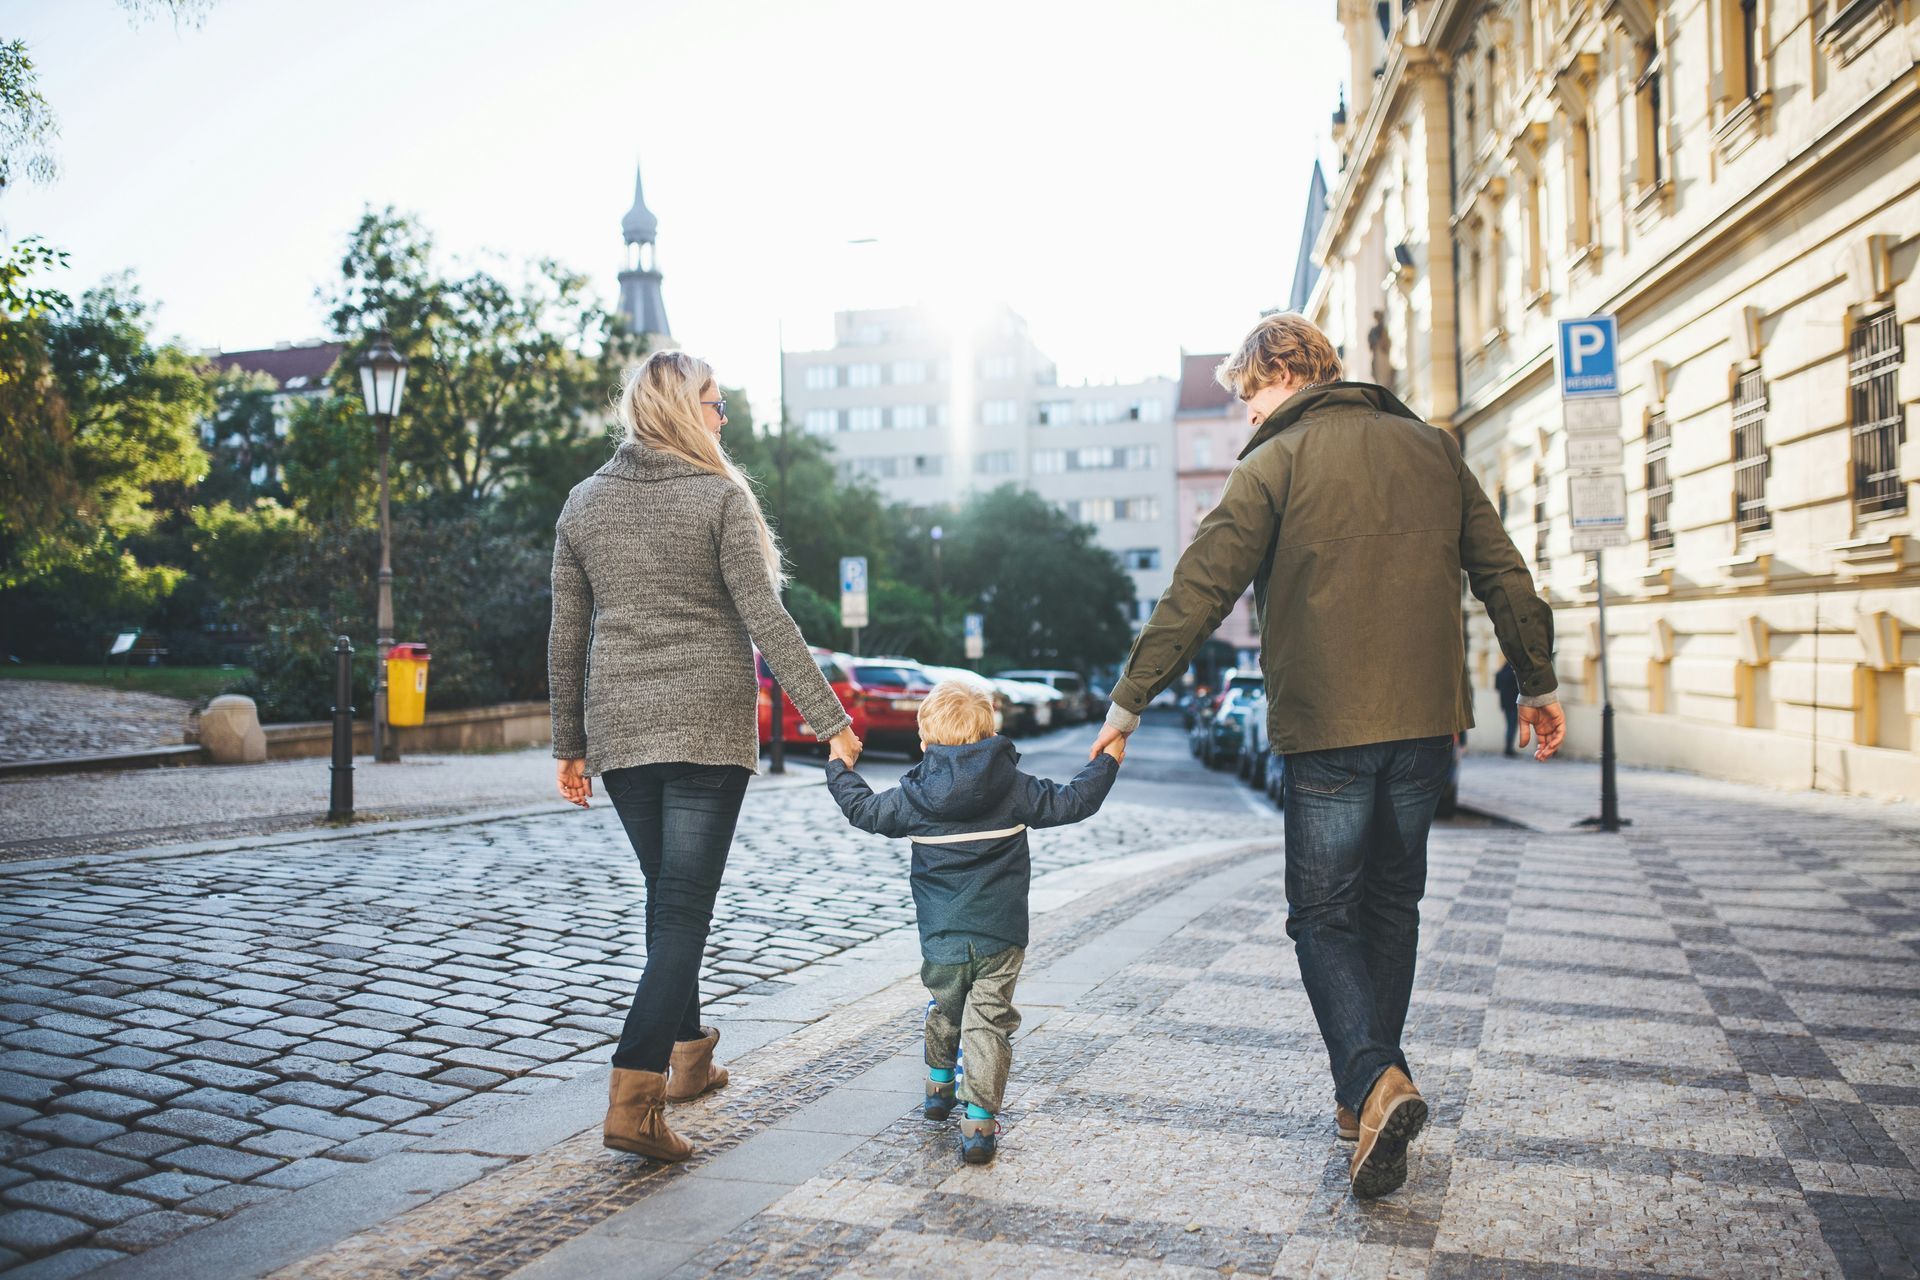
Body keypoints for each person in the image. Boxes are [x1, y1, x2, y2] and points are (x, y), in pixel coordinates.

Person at [1090, 313, 1563, 1198]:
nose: (1246, 417)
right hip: (1426, 729)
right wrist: (1535, 682)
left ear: (1281, 374)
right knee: (1392, 907)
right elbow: (1503, 570)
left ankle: (1377, 1079)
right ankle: (1364, 1100)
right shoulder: (1434, 450)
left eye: (1248, 397)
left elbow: (1200, 586)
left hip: (1329, 730)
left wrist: (1128, 701)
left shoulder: (1276, 462)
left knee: (1322, 915)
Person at [548, 349, 863, 1163]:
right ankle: (635, 1097)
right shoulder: (718, 496)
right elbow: (767, 619)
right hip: (705, 731)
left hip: (620, 731)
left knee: (667, 895)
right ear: (687, 411)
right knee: (683, 909)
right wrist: (830, 720)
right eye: (716, 404)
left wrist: (569, 745)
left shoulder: (583, 504)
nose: (726, 418)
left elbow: (564, 636)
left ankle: (690, 1059)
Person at [826, 680, 1124, 1165]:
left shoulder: (914, 795)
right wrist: (1108, 758)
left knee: (946, 1006)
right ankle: (980, 1122)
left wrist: (841, 765)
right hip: (1000, 935)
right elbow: (1076, 801)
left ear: (925, 742)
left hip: (941, 937)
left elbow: (862, 809)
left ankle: (939, 1087)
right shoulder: (1015, 786)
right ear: (990, 734)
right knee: (987, 1022)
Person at [1495, 658, 1522, 757]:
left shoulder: (1500, 674)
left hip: (1504, 703)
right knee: (1512, 725)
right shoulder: (1514, 675)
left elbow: (1496, 687)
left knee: (1509, 725)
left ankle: (1508, 747)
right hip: (1513, 703)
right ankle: (1509, 748)